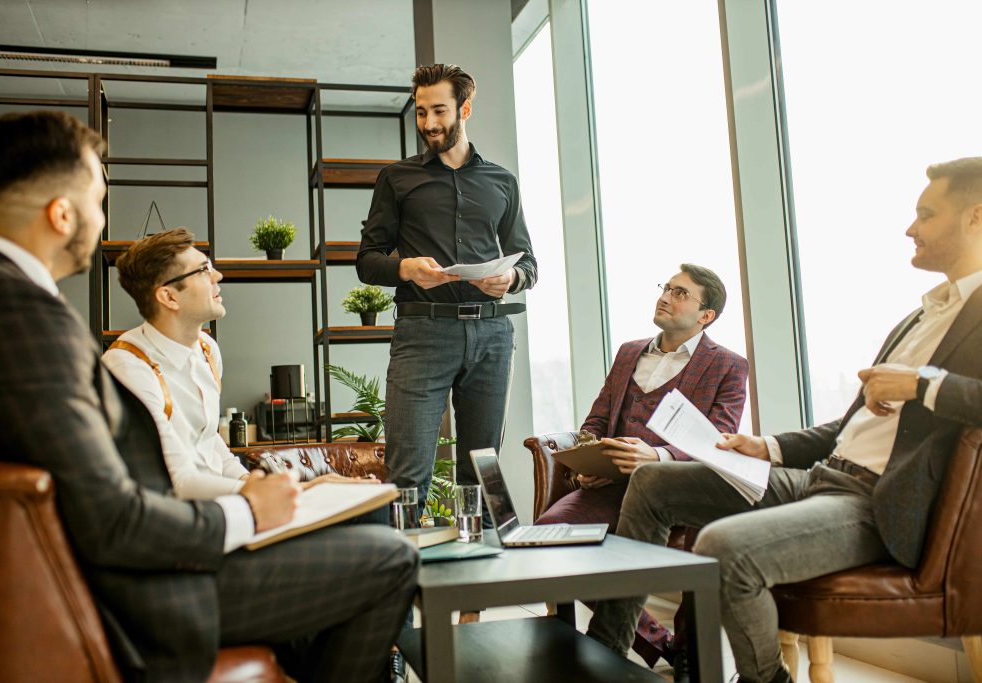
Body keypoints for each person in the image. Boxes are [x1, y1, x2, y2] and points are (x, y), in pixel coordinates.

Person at [0, 110, 417, 683]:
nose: (101, 221)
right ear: (61, 214)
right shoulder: (16, 315)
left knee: (359, 534)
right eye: (99, 201)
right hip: (141, 597)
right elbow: (113, 520)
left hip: (138, 562)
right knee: (393, 558)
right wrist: (250, 509)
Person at [587, 157, 982, 683]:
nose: (911, 229)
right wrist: (766, 446)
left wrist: (921, 385)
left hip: (878, 504)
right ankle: (605, 656)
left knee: (725, 547)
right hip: (820, 478)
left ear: (976, 218)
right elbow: (847, 427)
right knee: (653, 481)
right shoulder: (920, 316)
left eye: (926, 215)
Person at [534, 264, 748, 676]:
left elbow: (720, 438)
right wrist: (588, 460)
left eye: (680, 293)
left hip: (678, 490)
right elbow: (595, 421)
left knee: (707, 543)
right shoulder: (630, 352)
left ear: (707, 315)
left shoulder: (729, 366)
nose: (665, 296)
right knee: (547, 540)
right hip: (610, 486)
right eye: (666, 288)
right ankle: (659, 642)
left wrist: (658, 457)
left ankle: (690, 656)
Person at [357, 63, 538, 514]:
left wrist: (511, 278)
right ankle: (407, 578)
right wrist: (406, 269)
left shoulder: (502, 181)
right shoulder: (396, 179)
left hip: (493, 339)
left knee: (480, 471)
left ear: (465, 108)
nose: (429, 124)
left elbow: (528, 262)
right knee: (408, 473)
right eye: (421, 113)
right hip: (423, 337)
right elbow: (367, 260)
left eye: (439, 110)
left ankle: (477, 576)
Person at [102, 229, 248, 498]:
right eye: (204, 270)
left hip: (226, 502)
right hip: (182, 516)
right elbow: (175, 480)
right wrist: (260, 493)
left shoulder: (208, 349)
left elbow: (207, 441)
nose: (218, 276)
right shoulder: (127, 367)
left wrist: (252, 482)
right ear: (169, 297)